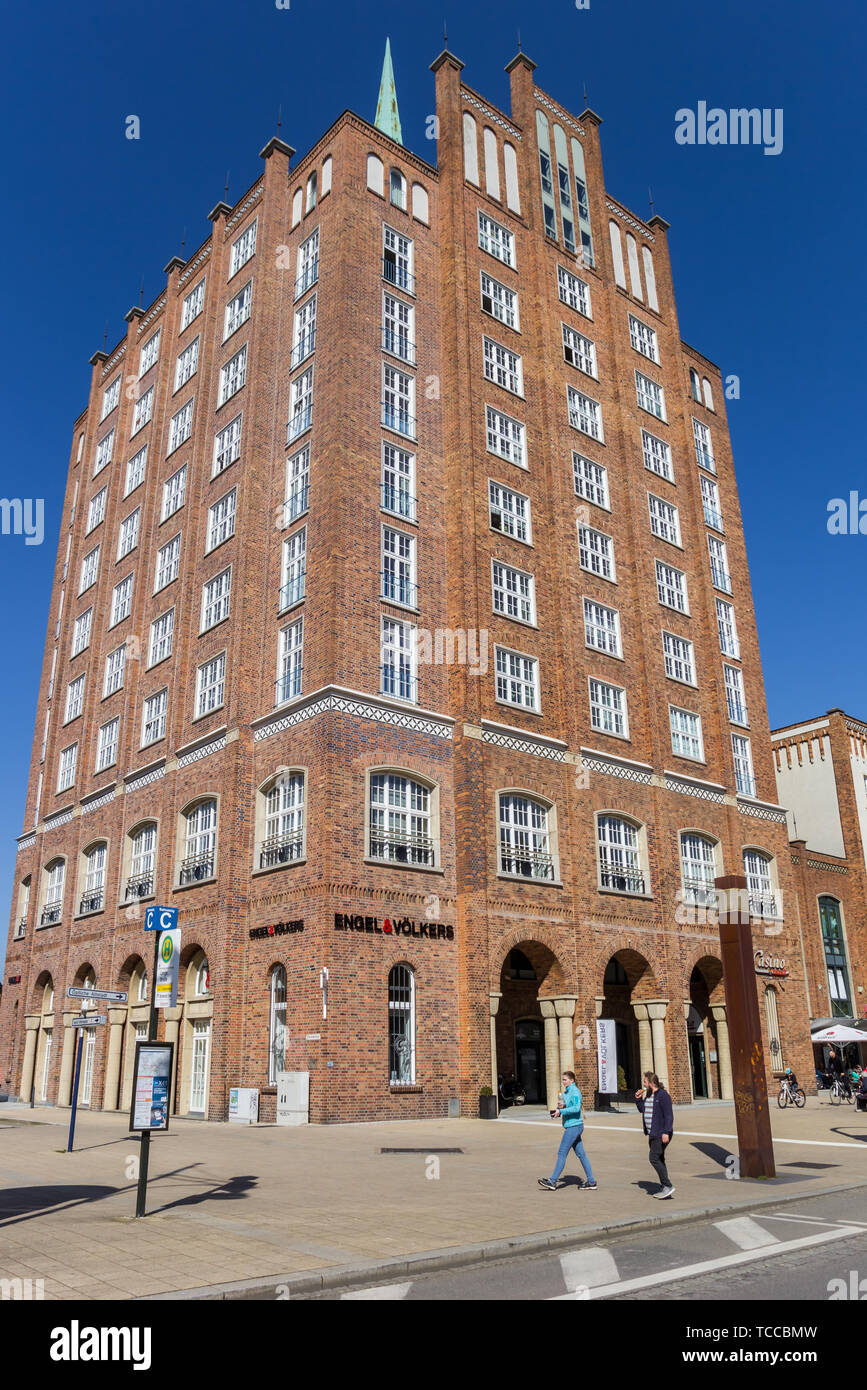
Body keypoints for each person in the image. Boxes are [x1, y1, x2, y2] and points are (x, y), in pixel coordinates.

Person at [538, 1070, 597, 1191]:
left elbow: (576, 1108)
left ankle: (552, 1181)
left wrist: (562, 1111)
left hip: (574, 1126)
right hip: (572, 1125)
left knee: (562, 1153)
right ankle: (591, 1181)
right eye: (563, 1079)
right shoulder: (566, 1093)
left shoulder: (575, 1092)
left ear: (572, 1080)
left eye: (565, 1079)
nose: (563, 1081)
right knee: (581, 1154)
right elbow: (567, 1107)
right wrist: (559, 1109)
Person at [635, 1071, 675, 1198]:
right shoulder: (649, 1095)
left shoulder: (663, 1095)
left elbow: (669, 1115)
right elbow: (643, 1109)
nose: (643, 1083)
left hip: (660, 1133)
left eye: (645, 1081)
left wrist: (666, 1132)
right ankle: (664, 1186)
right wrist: (637, 1099)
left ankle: (667, 1185)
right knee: (660, 1158)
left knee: (653, 1158)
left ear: (652, 1083)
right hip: (652, 1133)